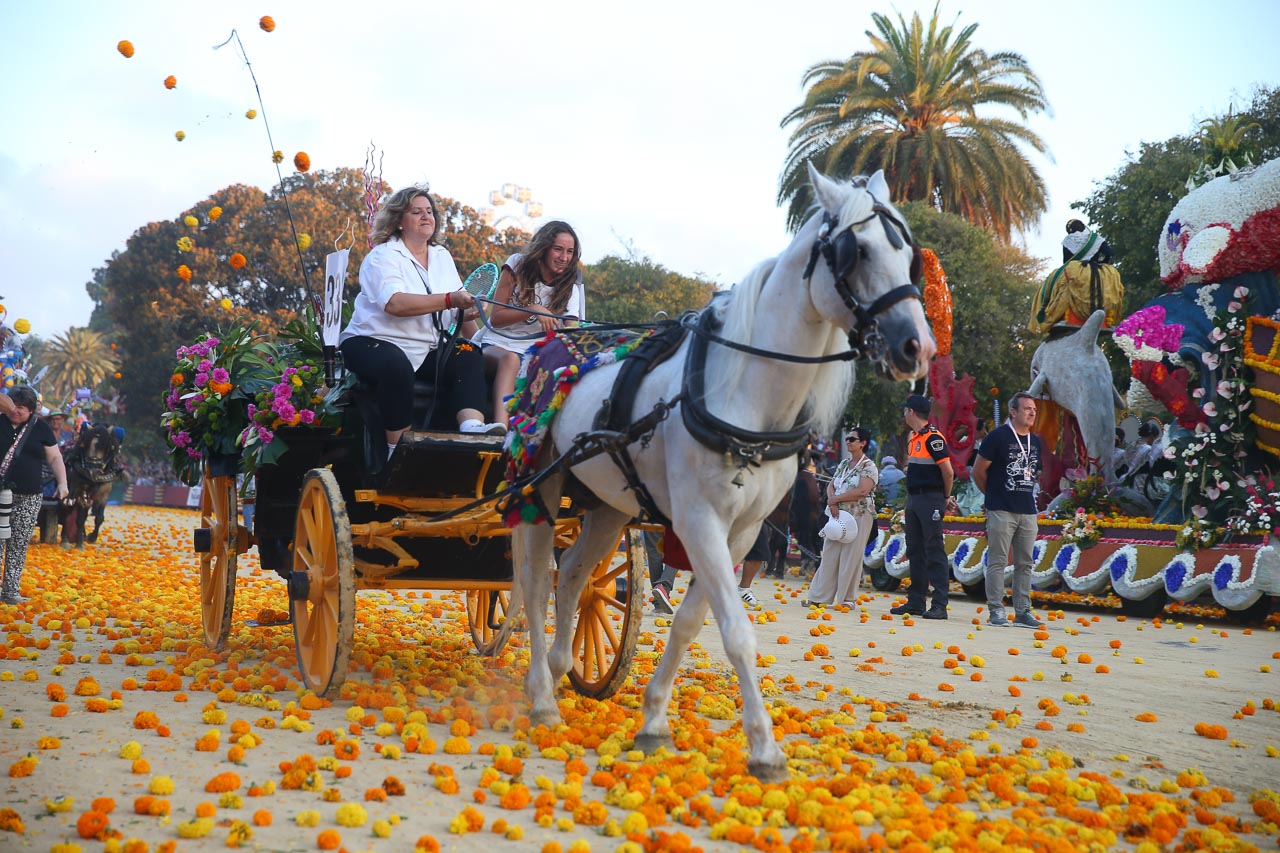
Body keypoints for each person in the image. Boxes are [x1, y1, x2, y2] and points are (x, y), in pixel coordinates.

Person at [338, 185, 502, 455]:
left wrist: (469, 316)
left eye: (429, 211)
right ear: (399, 221)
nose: (426, 216)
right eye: (417, 212)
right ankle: (397, 450)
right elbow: (395, 303)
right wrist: (451, 300)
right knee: (395, 366)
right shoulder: (382, 256)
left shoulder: (442, 256)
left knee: (469, 353)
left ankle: (472, 429)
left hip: (425, 347)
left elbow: (455, 308)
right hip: (371, 342)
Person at [474, 222, 585, 429]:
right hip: (497, 344)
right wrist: (533, 309)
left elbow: (572, 331)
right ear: (544, 248)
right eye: (558, 249)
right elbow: (496, 317)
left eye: (570, 252)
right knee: (510, 360)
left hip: (534, 354)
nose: (564, 258)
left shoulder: (570, 288)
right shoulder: (517, 264)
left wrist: (568, 332)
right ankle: (501, 430)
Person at [972, 392, 1045, 629]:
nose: (1032, 412)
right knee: (998, 560)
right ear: (1013, 412)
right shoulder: (997, 437)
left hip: (1027, 509)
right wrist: (991, 496)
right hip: (1001, 509)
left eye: (1034, 409)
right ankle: (996, 609)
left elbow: (1035, 473)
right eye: (1027, 408)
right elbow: (978, 471)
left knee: (1025, 562)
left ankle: (1023, 610)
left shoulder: (1035, 441)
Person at [890, 395, 958, 620]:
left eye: (905, 410)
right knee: (915, 549)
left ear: (911, 412)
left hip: (931, 499)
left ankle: (940, 604)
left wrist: (945, 497)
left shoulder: (933, 438)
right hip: (914, 500)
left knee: (934, 550)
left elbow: (948, 471)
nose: (903, 415)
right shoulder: (913, 438)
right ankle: (916, 601)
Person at [1, 387, 69, 604]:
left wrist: (63, 483)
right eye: (12, 406)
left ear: (31, 410)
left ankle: (11, 591)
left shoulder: (41, 429)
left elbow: (55, 458)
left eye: (21, 408)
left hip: (28, 496)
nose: (15, 411)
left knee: (18, 542)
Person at [803, 427, 878, 608]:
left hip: (859, 514)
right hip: (838, 513)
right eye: (847, 439)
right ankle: (819, 596)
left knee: (851, 556)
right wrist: (832, 501)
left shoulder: (869, 466)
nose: (848, 442)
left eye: (852, 439)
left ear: (863, 443)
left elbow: (862, 490)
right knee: (829, 552)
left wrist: (836, 499)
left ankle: (847, 599)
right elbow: (831, 485)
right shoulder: (844, 464)